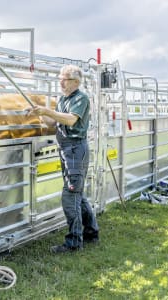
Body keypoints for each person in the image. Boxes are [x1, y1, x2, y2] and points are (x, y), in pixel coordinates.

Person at [26, 65, 99, 253]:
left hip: (75, 149)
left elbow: (70, 120)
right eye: (60, 78)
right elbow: (54, 122)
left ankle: (74, 242)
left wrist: (48, 111)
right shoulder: (63, 99)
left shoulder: (80, 99)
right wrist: (40, 114)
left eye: (64, 79)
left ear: (75, 82)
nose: (61, 81)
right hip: (66, 149)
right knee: (78, 195)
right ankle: (91, 233)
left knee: (70, 195)